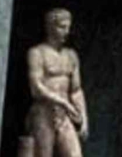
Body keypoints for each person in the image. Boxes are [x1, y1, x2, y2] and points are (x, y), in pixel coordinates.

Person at [25, 9, 88, 157]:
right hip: (43, 112)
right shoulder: (37, 53)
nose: (66, 32)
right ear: (50, 27)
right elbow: (36, 88)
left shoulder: (71, 55)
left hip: (64, 116)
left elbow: (76, 90)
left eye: (68, 27)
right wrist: (64, 103)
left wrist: (84, 118)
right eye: (62, 27)